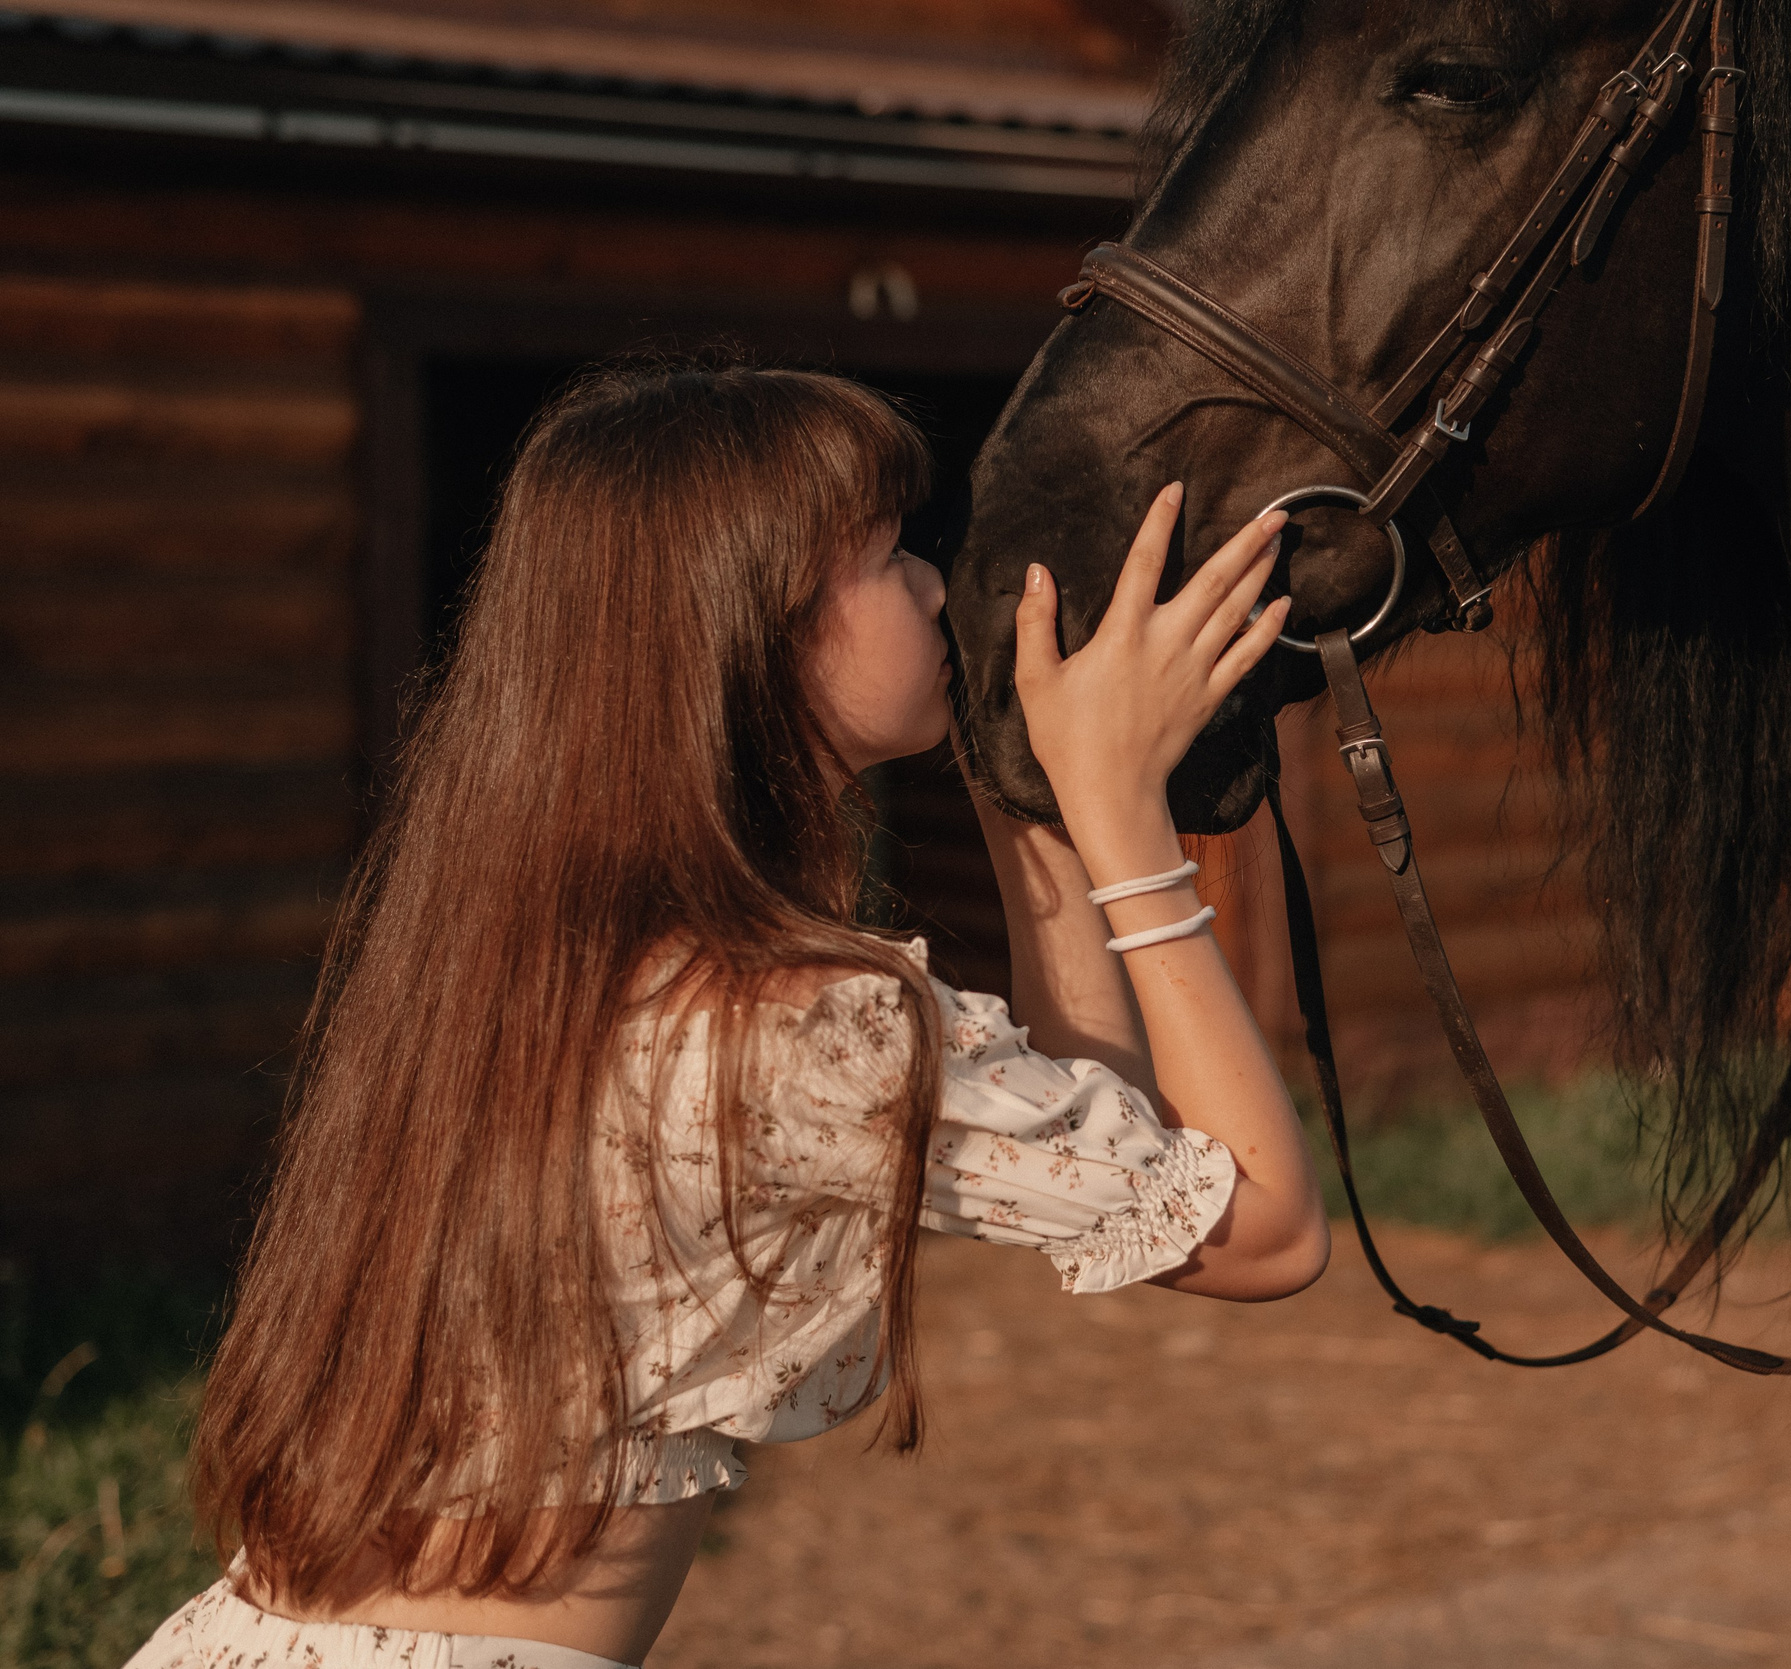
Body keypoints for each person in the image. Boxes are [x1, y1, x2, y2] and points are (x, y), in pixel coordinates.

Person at [125, 365, 1326, 1669]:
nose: (934, 584)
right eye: (886, 554)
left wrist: (1027, 790)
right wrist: (1125, 821)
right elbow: (1263, 1228)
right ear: (751, 629)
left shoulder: (516, 959)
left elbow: (1103, 1150)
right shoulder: (797, 1023)